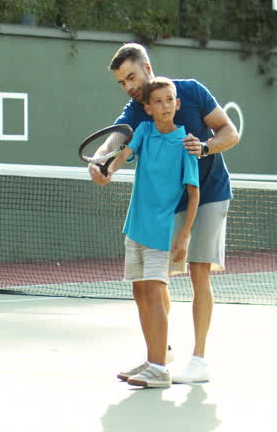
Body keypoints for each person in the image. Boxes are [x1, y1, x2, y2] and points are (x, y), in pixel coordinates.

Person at [91, 43, 238, 385]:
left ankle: (199, 359)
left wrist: (204, 147)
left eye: (131, 76)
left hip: (210, 192)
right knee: (159, 281)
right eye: (121, 82)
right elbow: (112, 142)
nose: (128, 85)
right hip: (169, 204)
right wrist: (99, 164)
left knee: (199, 270)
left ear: (147, 66)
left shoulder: (191, 92)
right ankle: (160, 353)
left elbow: (230, 133)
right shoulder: (137, 111)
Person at [105, 78, 199, 389]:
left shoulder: (186, 143)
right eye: (157, 101)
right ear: (147, 107)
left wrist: (184, 235)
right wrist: (108, 169)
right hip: (135, 228)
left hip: (162, 232)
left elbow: (193, 193)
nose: (164, 105)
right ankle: (153, 359)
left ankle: (160, 368)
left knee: (157, 294)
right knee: (140, 293)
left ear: (178, 104)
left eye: (169, 100)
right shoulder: (143, 130)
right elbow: (123, 154)